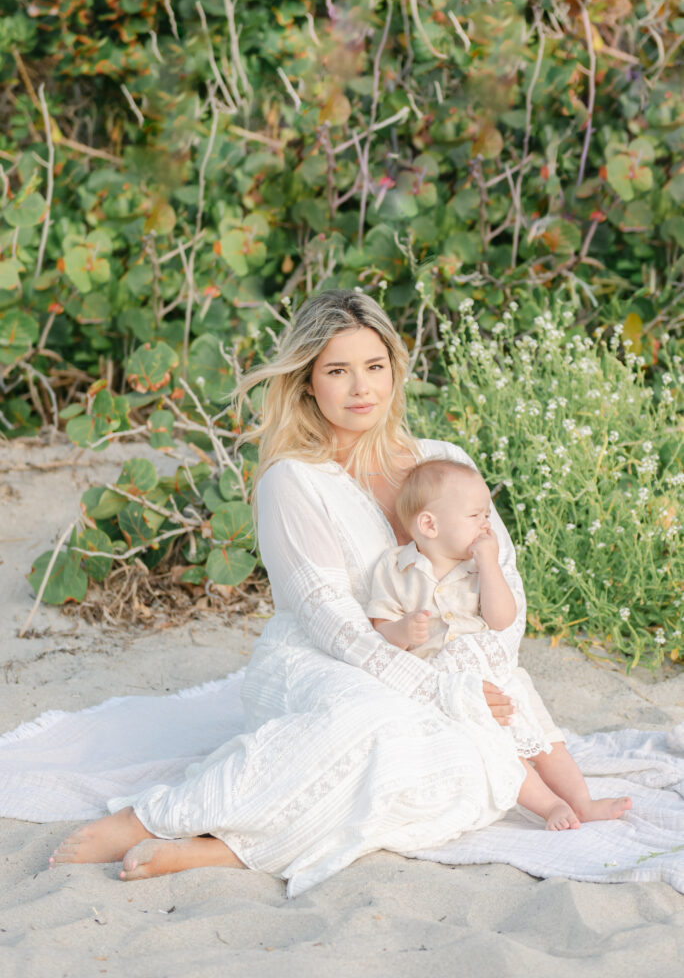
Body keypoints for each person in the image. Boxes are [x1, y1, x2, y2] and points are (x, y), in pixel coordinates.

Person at [47, 290, 569, 896]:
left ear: (395, 371)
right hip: (318, 661)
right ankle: (152, 817)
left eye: (374, 367)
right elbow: (335, 626)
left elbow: (506, 596)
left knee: (462, 764)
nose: (360, 389)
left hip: (448, 667)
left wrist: (477, 677)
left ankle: (227, 851)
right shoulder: (293, 479)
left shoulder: (445, 461)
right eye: (338, 371)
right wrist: (446, 690)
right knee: (368, 721)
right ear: (307, 383)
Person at [367, 457, 632, 830]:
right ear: (429, 524)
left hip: (499, 673)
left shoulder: (479, 566)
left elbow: (502, 619)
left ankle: (582, 802)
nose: (486, 524)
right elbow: (380, 635)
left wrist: (490, 565)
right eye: (475, 516)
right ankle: (550, 806)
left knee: (547, 742)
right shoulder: (394, 569)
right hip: (454, 689)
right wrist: (403, 631)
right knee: (503, 750)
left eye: (486, 515)